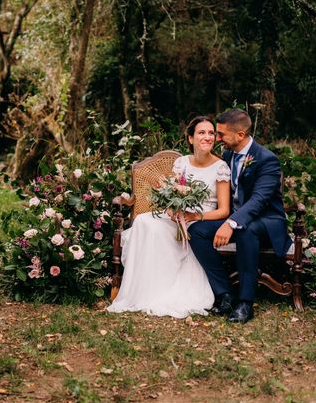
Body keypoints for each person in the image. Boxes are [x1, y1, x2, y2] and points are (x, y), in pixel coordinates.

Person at [107, 116, 231, 318]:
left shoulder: (220, 167)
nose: (208, 137)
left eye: (211, 133)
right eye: (202, 132)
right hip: (177, 216)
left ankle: (173, 286)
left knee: (170, 229)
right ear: (190, 139)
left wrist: (193, 215)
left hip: (201, 218)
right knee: (143, 221)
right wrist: (173, 208)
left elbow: (223, 210)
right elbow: (173, 194)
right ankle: (147, 287)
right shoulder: (181, 163)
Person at [189, 108, 292, 324]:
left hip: (265, 222)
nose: (216, 139)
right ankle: (225, 294)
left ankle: (245, 303)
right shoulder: (228, 155)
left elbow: (258, 201)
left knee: (246, 230)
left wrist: (231, 223)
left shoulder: (267, 160)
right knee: (197, 231)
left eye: (221, 135)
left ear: (240, 135)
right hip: (236, 219)